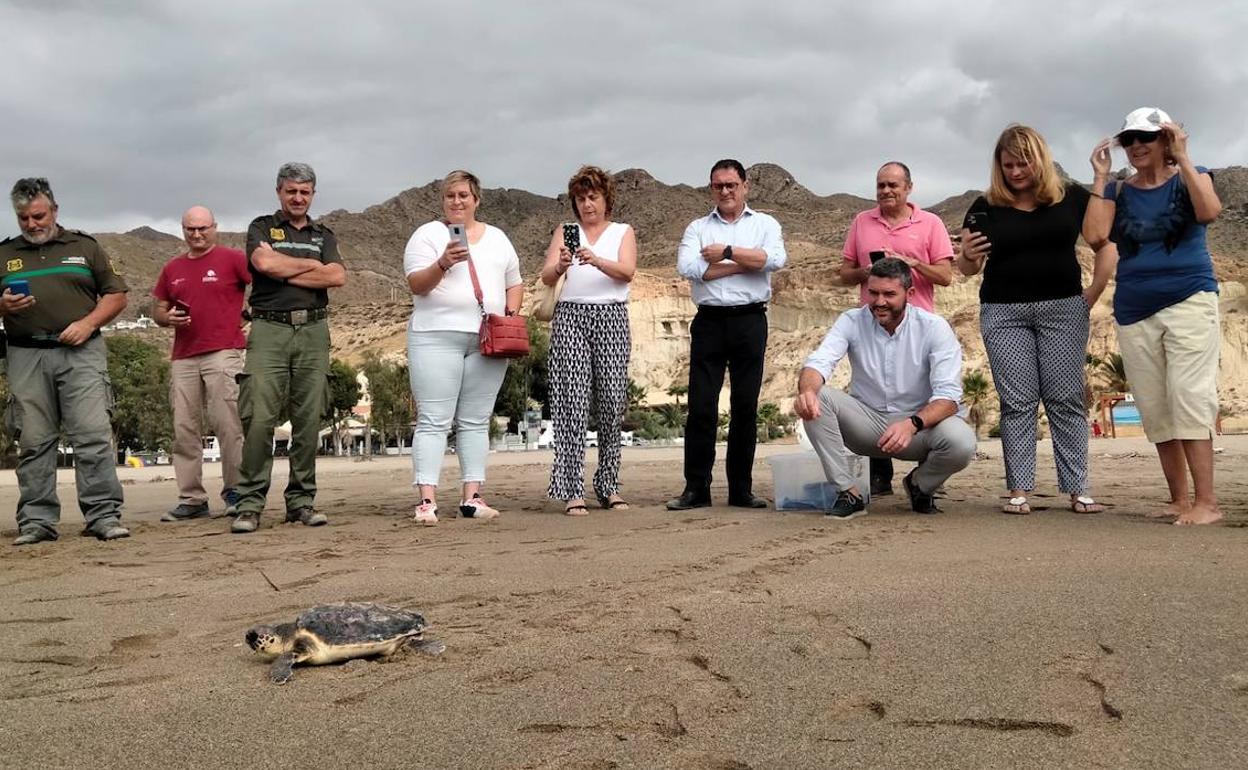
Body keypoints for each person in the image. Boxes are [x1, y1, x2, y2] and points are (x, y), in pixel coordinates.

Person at [958, 124, 1113, 516]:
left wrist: (1092, 293)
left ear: (1039, 160)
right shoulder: (984, 206)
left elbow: (1102, 241)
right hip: (1004, 312)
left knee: (1065, 399)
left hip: (1063, 308)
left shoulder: (1072, 197)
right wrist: (970, 255)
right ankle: (1019, 490)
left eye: (1023, 163)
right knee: (1017, 402)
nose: (1015, 171)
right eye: (1007, 164)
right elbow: (966, 268)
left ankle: (1078, 489)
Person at [1085, 107, 1223, 525]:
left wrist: (1182, 158)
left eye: (1146, 137)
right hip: (1134, 307)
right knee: (1156, 403)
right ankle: (1179, 499)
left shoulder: (1192, 175)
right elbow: (1095, 237)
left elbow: (1208, 212)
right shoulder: (1119, 192)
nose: (1137, 146)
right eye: (1129, 139)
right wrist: (1101, 178)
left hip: (1189, 299)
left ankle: (1208, 503)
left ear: (1166, 139)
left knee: (1189, 395)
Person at [0, 178, 129, 545]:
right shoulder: (3, 253)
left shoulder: (85, 247)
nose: (32, 224)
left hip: (82, 353)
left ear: (54, 210)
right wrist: (2, 306)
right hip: (25, 354)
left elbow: (117, 296)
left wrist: (87, 323)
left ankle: (103, 515)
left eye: (38, 215)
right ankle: (37, 521)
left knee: (91, 436)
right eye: (23, 218)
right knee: (34, 440)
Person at [794, 258, 976, 518]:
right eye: (873, 293)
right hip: (868, 424)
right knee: (816, 398)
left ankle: (920, 485)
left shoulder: (934, 327)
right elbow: (819, 362)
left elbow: (948, 398)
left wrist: (912, 423)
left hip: (919, 429)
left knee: (962, 442)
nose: (879, 302)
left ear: (909, 294)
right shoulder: (852, 320)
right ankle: (847, 492)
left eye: (889, 294)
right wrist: (807, 392)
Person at [231, 163, 346, 534]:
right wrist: (311, 265)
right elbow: (262, 262)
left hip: (313, 329)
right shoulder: (261, 228)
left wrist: (285, 266)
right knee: (260, 419)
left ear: (313, 194)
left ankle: (301, 503)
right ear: (279, 191)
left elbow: (337, 275)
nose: (298, 198)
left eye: (305, 192)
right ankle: (249, 504)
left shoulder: (323, 233)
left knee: (308, 421)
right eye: (291, 191)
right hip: (269, 329)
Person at [667, 159, 787, 511]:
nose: (726, 191)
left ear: (745, 186)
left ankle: (741, 489)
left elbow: (776, 260)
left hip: (750, 320)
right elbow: (690, 268)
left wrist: (728, 254)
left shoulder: (765, 224)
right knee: (702, 406)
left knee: (745, 407)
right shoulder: (698, 228)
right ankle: (696, 488)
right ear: (711, 188)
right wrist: (746, 265)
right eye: (719, 185)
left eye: (731, 184)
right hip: (709, 322)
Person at [404, 170, 523, 525]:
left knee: (474, 420)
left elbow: (514, 282)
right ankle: (427, 500)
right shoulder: (427, 235)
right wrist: (443, 263)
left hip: (487, 336)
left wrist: (509, 313)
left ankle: (472, 497)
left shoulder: (498, 238)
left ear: (476, 200)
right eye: (451, 195)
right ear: (443, 200)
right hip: (435, 334)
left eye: (464, 196)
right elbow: (416, 285)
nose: (457, 201)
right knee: (433, 419)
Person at [839, 161, 955, 498]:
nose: (886, 191)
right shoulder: (862, 222)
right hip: (873, 323)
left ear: (908, 187)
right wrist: (868, 271)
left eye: (893, 185)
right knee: (873, 393)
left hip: (920, 325)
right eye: (881, 185)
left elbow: (946, 276)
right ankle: (879, 471)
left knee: (925, 394)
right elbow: (844, 273)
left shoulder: (930, 223)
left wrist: (911, 263)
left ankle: (929, 471)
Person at [539, 166, 637, 516]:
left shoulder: (623, 232)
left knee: (612, 402)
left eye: (593, 197)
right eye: (581, 198)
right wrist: (562, 264)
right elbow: (546, 275)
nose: (587, 204)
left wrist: (596, 260)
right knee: (572, 404)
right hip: (570, 317)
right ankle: (572, 489)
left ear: (606, 199)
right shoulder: (565, 232)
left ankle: (608, 485)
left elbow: (627, 271)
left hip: (611, 317)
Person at [152, 206, 250, 521]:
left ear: (214, 227)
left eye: (202, 228)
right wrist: (166, 317)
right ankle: (192, 499)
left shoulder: (233, 259)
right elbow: (158, 309)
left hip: (224, 351)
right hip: (183, 355)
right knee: (184, 428)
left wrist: (248, 317)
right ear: (183, 229)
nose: (197, 234)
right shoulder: (172, 268)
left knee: (228, 424)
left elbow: (262, 287)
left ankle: (236, 492)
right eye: (190, 229)